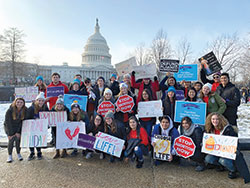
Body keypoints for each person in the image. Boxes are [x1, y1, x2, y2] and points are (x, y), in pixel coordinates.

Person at [204, 113, 250, 180]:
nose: (215, 121)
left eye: (217, 119)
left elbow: (235, 142)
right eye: (213, 119)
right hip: (216, 151)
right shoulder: (210, 129)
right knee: (208, 159)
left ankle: (233, 170)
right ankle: (221, 166)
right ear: (210, 120)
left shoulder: (228, 129)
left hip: (227, 153)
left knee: (223, 161)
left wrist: (236, 149)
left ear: (221, 120)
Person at [4, 98, 28, 163]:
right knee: (11, 140)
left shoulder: (25, 110)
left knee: (18, 140)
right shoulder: (10, 110)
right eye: (18, 102)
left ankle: (18, 153)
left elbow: (22, 122)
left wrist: (18, 132)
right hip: (9, 127)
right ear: (15, 102)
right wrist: (10, 134)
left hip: (18, 127)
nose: (19, 104)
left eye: (21, 102)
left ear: (23, 103)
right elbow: (7, 122)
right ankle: (9, 155)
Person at [27, 92, 49, 160]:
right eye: (39, 100)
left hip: (40, 127)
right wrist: (34, 119)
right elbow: (27, 117)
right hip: (32, 127)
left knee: (38, 139)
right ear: (36, 101)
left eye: (42, 100)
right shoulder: (31, 108)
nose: (41, 102)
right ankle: (32, 152)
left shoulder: (45, 107)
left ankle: (39, 152)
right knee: (31, 140)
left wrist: (47, 124)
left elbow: (48, 116)